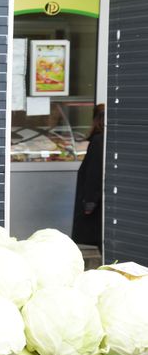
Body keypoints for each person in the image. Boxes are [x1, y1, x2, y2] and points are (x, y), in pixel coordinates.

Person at [72, 104, 105, 252]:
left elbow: (94, 174)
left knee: (100, 239)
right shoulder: (109, 141)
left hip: (98, 204)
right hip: (104, 201)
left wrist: (89, 203)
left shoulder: (99, 141)